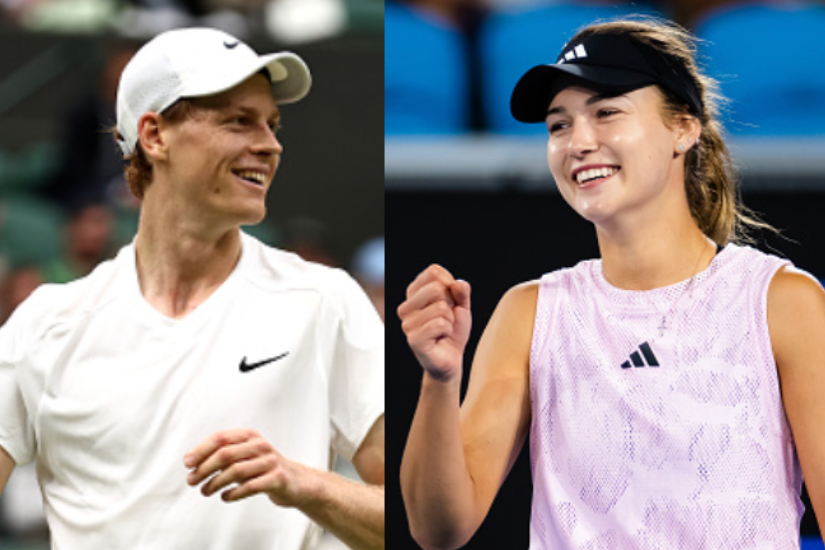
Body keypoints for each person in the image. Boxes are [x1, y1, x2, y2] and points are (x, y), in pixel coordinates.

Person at [398, 17, 825, 549]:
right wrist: (438, 381)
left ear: (684, 127)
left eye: (606, 113)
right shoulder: (528, 313)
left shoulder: (783, 303)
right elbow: (438, 529)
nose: (578, 142)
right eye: (558, 125)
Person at [0, 27, 384, 550]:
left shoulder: (325, 300)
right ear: (155, 136)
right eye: (238, 121)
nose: (269, 145)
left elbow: (424, 522)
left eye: (272, 125)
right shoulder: (44, 323)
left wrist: (305, 484)